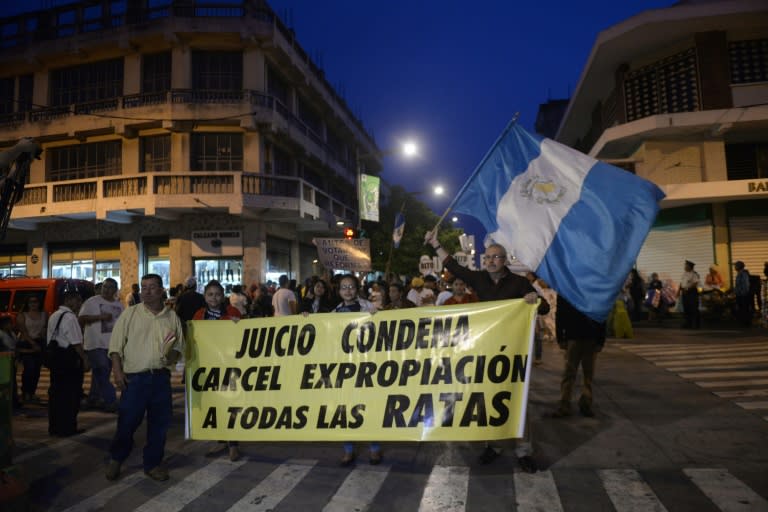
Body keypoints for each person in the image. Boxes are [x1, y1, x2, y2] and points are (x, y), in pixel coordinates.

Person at [425, 230, 548, 473]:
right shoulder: (479, 279)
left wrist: (534, 298)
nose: (491, 261)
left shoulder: (519, 283)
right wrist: (435, 244)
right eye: (488, 257)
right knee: (490, 398)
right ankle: (495, 445)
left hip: (514, 350)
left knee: (518, 400)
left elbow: (543, 308)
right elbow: (454, 267)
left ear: (505, 260)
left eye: (496, 257)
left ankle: (524, 450)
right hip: (487, 349)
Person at [105, 273, 184, 482]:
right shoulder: (130, 314)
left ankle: (153, 464)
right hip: (135, 380)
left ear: (161, 291)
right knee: (127, 423)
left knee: (159, 425)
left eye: (151, 287)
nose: (146, 291)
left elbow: (178, 349)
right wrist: (117, 371)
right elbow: (115, 346)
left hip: (160, 379)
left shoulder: (172, 317)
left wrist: (172, 353)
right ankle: (116, 458)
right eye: (143, 287)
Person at [333, 274, 381, 466]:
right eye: (344, 287)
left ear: (356, 288)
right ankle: (348, 450)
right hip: (344, 367)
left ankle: (375, 449)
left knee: (370, 406)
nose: (348, 290)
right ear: (339, 291)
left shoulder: (368, 308)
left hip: (366, 365)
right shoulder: (334, 312)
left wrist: (378, 315)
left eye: (351, 286)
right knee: (345, 408)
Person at [194, 280, 242, 461]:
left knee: (230, 404)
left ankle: (233, 444)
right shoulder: (199, 315)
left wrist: (239, 325)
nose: (214, 298)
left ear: (223, 296)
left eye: (218, 294)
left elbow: (244, 336)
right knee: (215, 404)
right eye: (210, 294)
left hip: (229, 365)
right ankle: (221, 440)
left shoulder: (233, 312)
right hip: (208, 367)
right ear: (205, 297)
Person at [552, 296, 606, 418]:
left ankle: (583, 403)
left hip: (587, 335)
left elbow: (601, 312)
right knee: (572, 372)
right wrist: (560, 336)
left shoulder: (590, 286)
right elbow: (560, 314)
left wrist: (601, 340)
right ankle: (566, 403)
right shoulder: (568, 287)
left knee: (585, 373)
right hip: (576, 335)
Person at [47, 291, 90, 437]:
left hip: (56, 360)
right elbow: (76, 342)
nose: (79, 305)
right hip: (68, 361)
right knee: (71, 395)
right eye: (78, 301)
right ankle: (67, 427)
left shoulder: (55, 315)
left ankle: (55, 427)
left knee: (56, 395)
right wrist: (85, 359)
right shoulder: (70, 317)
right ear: (69, 300)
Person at [79, 278, 124, 412]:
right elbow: (81, 319)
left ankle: (93, 398)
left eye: (110, 287)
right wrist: (99, 317)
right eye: (104, 286)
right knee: (102, 370)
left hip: (111, 345)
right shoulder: (92, 302)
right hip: (95, 344)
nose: (106, 289)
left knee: (100, 374)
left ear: (115, 290)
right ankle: (111, 400)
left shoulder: (119, 305)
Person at [15, 295, 47, 403]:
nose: (33, 304)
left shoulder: (44, 314)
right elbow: (23, 331)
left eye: (36, 302)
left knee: (37, 370)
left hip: (39, 343)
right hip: (26, 343)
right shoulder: (22, 315)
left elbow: (45, 328)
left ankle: (32, 393)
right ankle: (25, 393)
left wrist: (43, 334)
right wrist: (32, 343)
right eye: (31, 302)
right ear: (27, 304)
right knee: (29, 369)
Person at [0, 316, 21, 410]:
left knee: (13, 381)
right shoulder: (1, 334)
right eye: (9, 323)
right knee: (7, 381)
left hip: (12, 358)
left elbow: (17, 344)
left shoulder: (12, 333)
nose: (11, 325)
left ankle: (14, 401)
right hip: (5, 359)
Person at [678, 260, 700, 329]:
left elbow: (695, 283)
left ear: (690, 266)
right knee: (686, 308)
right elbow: (681, 283)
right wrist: (678, 291)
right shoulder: (684, 274)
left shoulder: (694, 274)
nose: (685, 266)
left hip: (691, 292)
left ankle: (695, 325)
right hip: (685, 292)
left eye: (686, 265)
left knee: (693, 309)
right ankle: (688, 324)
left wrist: (687, 289)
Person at [734, 261, 752, 327]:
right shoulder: (739, 273)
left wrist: (742, 293)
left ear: (739, 266)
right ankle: (743, 322)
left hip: (743, 295)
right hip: (740, 295)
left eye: (736, 265)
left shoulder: (743, 274)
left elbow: (746, 285)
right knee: (741, 308)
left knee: (744, 308)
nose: (734, 267)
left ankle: (746, 323)